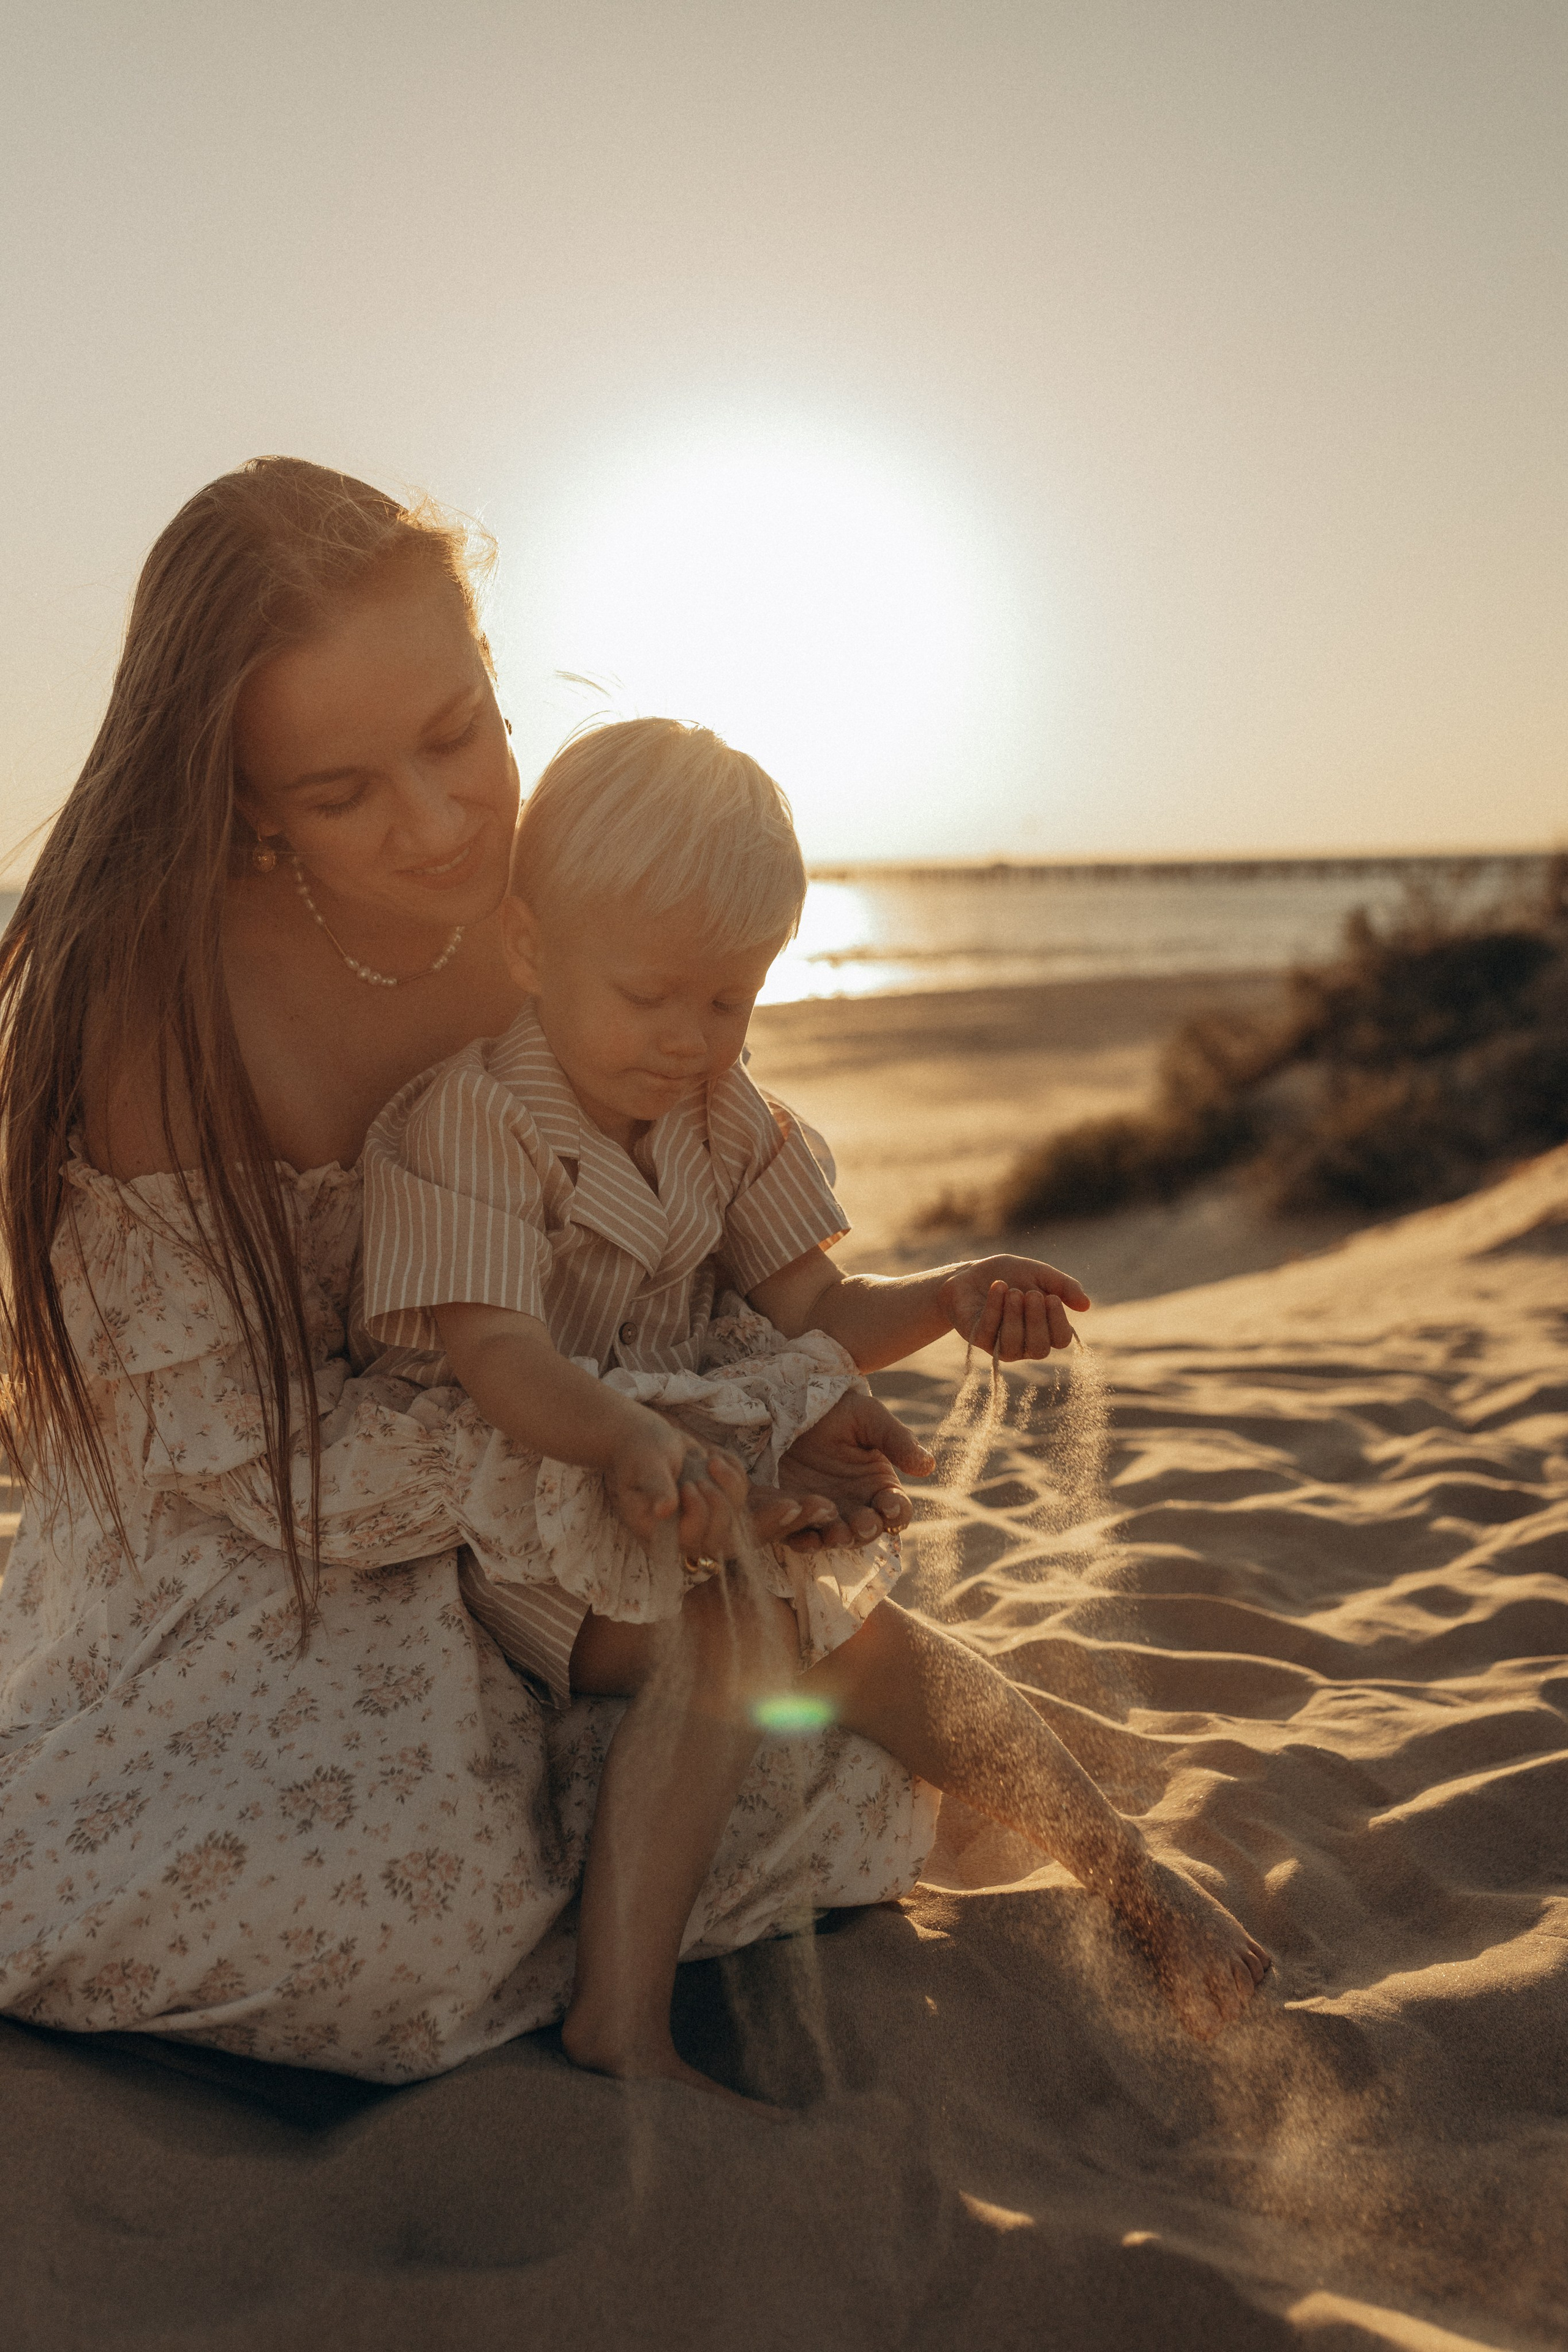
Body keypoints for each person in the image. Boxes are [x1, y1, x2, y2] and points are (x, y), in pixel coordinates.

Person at [0, 459, 940, 2083]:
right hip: (264, 1528)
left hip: (555, 1477)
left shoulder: (552, 901)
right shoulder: (163, 1011)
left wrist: (748, 1426)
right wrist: (626, 1452)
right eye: (342, 793)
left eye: (458, 736)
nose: (439, 825)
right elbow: (227, 1446)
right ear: (243, 797)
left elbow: (662, 1218)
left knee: (830, 1791)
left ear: (493, 671)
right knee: (390, 1925)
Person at [358, 717, 1273, 2101]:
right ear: (535, 952)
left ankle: (1125, 1878)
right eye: (652, 997)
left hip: (690, 1469)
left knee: (873, 1638)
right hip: (519, 1493)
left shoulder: (727, 1118)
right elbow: (498, 1361)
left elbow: (817, 1313)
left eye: (726, 1003)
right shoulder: (476, 1120)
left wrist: (951, 1295)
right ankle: (622, 2017)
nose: (688, 1042)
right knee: (733, 1636)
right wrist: (630, 1441)